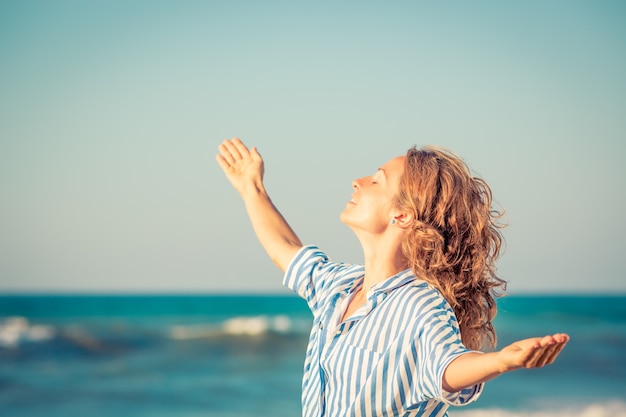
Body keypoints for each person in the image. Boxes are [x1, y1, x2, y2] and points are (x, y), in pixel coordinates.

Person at [216, 137, 569, 417]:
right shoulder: (338, 287)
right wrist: (252, 188)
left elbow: (447, 366)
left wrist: (500, 362)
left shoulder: (419, 303)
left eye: (375, 181)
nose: (357, 182)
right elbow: (286, 249)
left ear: (402, 215)